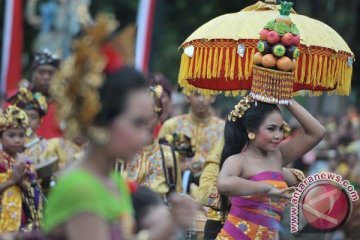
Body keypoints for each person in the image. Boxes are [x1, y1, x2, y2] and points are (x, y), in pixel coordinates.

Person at [43, 16, 196, 240]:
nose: (146, 136)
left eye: (148, 123)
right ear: (100, 120)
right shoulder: (81, 188)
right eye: (137, 123)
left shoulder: (110, 180)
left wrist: (168, 224)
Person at [215, 96, 326, 239]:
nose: (278, 136)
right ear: (251, 130)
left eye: (280, 129)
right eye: (271, 129)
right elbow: (223, 184)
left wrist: (286, 100)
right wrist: (267, 188)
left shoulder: (278, 156)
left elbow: (317, 132)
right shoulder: (237, 161)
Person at [122, 85, 182, 202]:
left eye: (152, 114)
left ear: (159, 118)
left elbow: (176, 196)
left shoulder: (168, 156)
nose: (146, 119)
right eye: (141, 114)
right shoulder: (120, 152)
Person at [158, 91, 224, 194]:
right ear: (188, 97)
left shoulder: (223, 128)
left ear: (213, 97)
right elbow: (158, 159)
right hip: (178, 190)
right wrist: (181, 165)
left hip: (214, 191)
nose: (201, 100)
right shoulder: (171, 126)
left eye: (205, 94)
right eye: (197, 95)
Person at [0, 106, 43, 232]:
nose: (17, 140)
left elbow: (36, 194)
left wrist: (22, 184)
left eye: (21, 135)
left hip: (22, 220)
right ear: (1, 137)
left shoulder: (27, 163)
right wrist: (11, 181)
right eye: (11, 135)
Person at [31, 49, 61, 139]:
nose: (46, 77)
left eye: (51, 73)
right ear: (33, 75)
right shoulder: (18, 102)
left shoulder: (67, 104)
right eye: (41, 72)